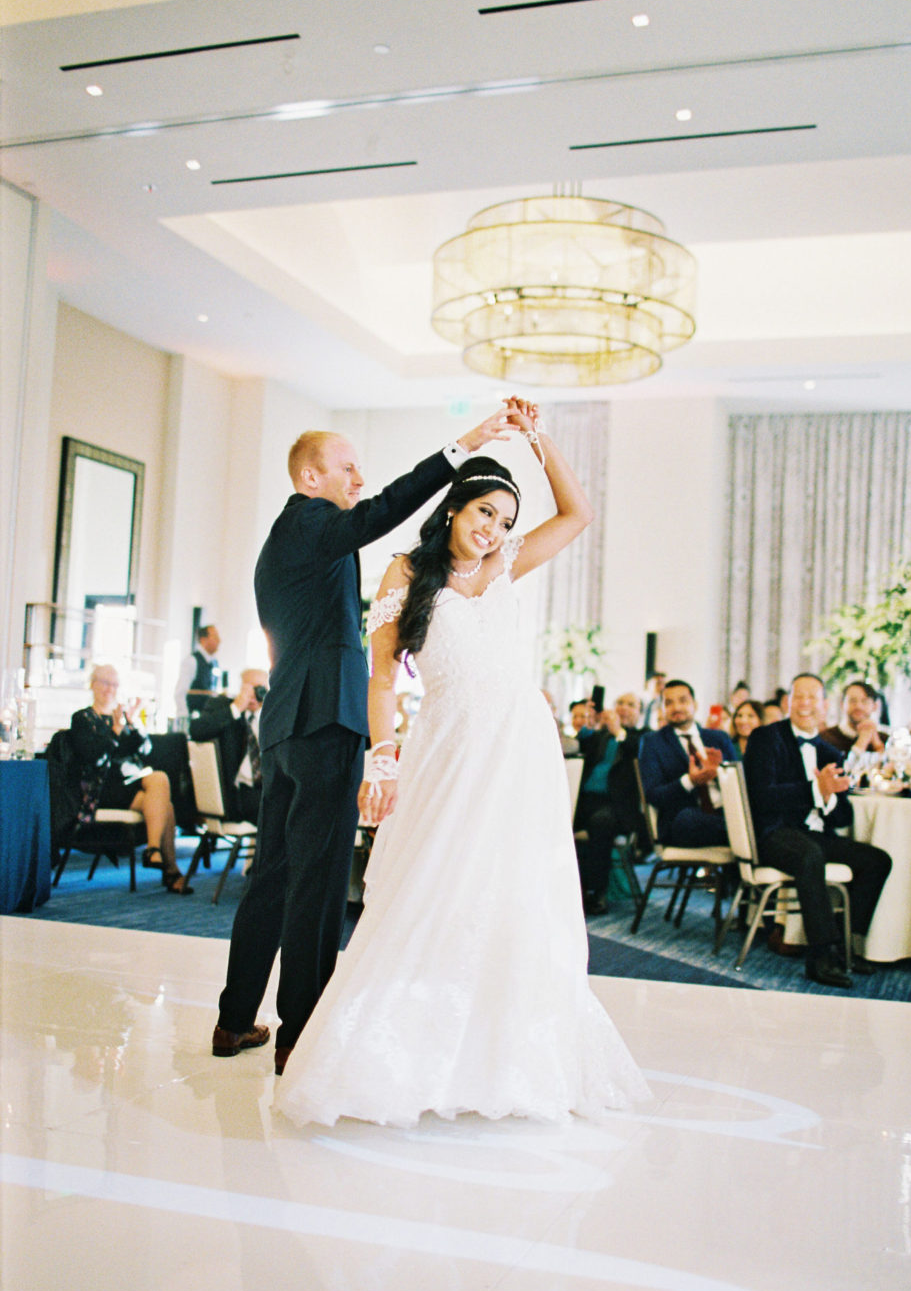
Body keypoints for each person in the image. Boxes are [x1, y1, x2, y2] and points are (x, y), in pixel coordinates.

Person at [275, 400, 650, 1127]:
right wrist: (380, 761)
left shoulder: (507, 565)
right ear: (453, 510)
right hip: (448, 746)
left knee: (515, 895)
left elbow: (577, 514)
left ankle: (501, 1057)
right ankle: (408, 1058)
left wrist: (539, 440)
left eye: (506, 520)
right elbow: (382, 678)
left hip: (521, 750)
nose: (494, 530)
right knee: (434, 887)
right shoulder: (404, 573)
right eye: (484, 512)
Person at [212, 408, 516, 1065]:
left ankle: (234, 1021)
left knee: (272, 875)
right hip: (326, 722)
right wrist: (462, 449)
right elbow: (378, 512)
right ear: (310, 475)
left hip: (289, 723)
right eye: (347, 467)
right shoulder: (311, 521)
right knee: (317, 882)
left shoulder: (287, 543)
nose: (358, 477)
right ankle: (300, 1034)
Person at [743, 672, 892, 989]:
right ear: (788, 702)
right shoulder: (765, 738)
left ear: (824, 705)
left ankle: (843, 944)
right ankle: (820, 954)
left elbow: (842, 818)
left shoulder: (829, 752)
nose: (805, 703)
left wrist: (828, 797)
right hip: (774, 833)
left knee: (878, 861)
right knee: (810, 856)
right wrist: (814, 789)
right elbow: (762, 796)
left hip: (815, 833)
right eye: (799, 696)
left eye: (813, 697)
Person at [70, 663, 192, 892]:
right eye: (105, 682)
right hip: (101, 787)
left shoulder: (123, 717)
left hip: (130, 784)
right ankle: (170, 869)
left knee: (159, 779)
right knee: (166, 804)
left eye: (114, 684)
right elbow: (94, 757)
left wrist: (134, 723)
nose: (110, 689)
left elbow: (146, 749)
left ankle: (154, 850)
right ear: (93, 685)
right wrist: (116, 730)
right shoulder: (83, 719)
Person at [638, 680, 737, 846]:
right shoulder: (652, 742)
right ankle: (740, 832)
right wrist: (690, 781)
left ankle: (738, 831)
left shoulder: (719, 738)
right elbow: (653, 795)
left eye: (683, 701)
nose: (676, 708)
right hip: (682, 820)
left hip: (723, 812)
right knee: (688, 820)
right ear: (662, 709)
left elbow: (739, 785)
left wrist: (719, 772)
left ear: (695, 705)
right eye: (669, 703)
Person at [573, 692, 645, 915]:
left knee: (600, 822)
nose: (624, 708)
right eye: (620, 703)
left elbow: (636, 751)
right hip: (585, 799)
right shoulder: (601, 736)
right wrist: (590, 722)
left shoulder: (643, 737)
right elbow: (579, 743)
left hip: (618, 806)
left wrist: (619, 732)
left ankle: (595, 892)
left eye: (631, 705)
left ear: (640, 713)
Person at [189, 668, 268, 823]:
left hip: (266, 789)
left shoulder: (271, 717)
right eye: (249, 687)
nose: (254, 693)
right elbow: (196, 730)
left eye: (260, 688)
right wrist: (236, 708)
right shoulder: (223, 707)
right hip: (236, 794)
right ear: (241, 688)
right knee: (276, 808)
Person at [819, 680, 887, 756]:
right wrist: (862, 741)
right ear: (842, 704)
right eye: (852, 701)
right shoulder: (826, 738)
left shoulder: (885, 739)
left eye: (865, 701)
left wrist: (877, 744)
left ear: (875, 706)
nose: (858, 706)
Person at [174, 624, 221, 719]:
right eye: (215, 637)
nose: (219, 641)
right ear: (203, 640)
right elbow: (180, 693)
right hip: (193, 717)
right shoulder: (192, 661)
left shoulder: (215, 663)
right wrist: (184, 718)